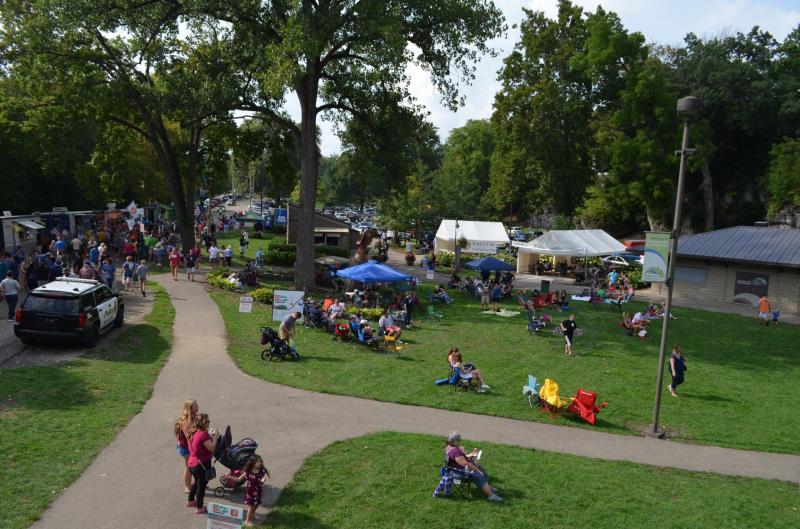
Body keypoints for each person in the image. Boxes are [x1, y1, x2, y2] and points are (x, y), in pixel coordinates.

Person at [442, 432, 502, 502]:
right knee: (478, 474)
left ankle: (488, 487)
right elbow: (465, 464)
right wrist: (476, 469)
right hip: (458, 473)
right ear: (455, 441)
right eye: (459, 440)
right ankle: (491, 496)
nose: (460, 441)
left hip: (454, 470)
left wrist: (472, 457)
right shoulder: (455, 451)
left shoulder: (449, 448)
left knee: (480, 468)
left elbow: (462, 460)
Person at [186, 413, 217, 514]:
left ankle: (190, 501)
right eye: (208, 421)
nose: (209, 423)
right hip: (201, 464)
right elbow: (211, 448)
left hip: (192, 464)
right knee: (201, 486)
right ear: (203, 422)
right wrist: (215, 437)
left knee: (196, 482)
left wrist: (209, 435)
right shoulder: (203, 434)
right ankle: (199, 507)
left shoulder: (192, 432)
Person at [232, 454, 270, 527]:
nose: (260, 463)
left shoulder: (261, 470)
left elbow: (263, 477)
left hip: (258, 490)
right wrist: (230, 477)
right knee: (251, 506)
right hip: (250, 492)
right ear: (252, 463)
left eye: (260, 461)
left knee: (257, 504)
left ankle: (253, 513)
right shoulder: (248, 472)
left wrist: (263, 479)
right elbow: (238, 479)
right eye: (257, 462)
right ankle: (247, 520)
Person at [174, 399, 199, 493]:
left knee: (197, 466)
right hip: (186, 447)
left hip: (190, 446)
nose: (197, 407)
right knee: (189, 467)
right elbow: (189, 438)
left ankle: (197, 483)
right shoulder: (187, 421)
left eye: (197, 405)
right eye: (195, 406)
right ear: (189, 408)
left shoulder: (194, 416)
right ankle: (187, 487)